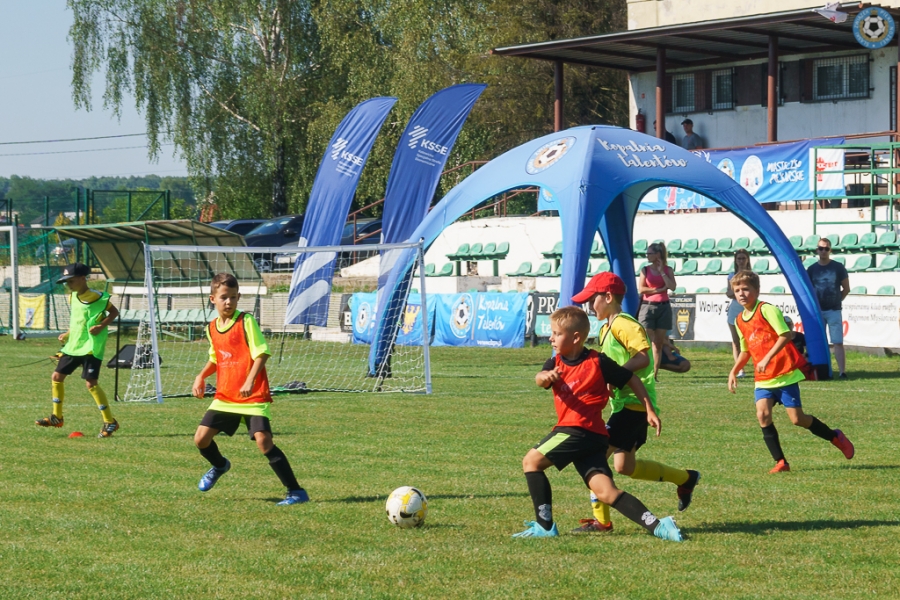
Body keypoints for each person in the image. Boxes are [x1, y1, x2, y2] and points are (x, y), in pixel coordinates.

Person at [513, 306, 683, 541]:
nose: (551, 338)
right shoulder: (554, 361)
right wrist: (544, 378)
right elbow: (540, 378)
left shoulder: (597, 362)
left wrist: (649, 410)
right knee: (606, 492)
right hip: (594, 436)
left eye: (556, 333)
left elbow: (631, 378)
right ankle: (659, 526)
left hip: (577, 430)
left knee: (531, 462)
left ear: (575, 337)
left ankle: (544, 526)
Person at [569, 273, 700, 534]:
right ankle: (685, 478)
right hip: (627, 406)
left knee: (595, 460)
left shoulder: (623, 324)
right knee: (625, 466)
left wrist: (616, 377)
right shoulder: (607, 327)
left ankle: (602, 522)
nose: (589, 305)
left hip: (632, 405)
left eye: (592, 299)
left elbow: (643, 358)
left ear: (608, 297)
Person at [191, 273, 308, 505]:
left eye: (233, 297)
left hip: (253, 394)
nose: (229, 302)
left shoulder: (245, 321)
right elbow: (216, 358)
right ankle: (219, 465)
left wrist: (249, 381)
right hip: (226, 395)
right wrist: (201, 376)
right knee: (201, 440)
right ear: (212, 298)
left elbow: (261, 352)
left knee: (263, 441)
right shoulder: (211, 328)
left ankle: (296, 492)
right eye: (224, 297)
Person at [728, 270, 855, 473]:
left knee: (798, 419)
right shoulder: (739, 320)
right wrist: (734, 370)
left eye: (746, 289)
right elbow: (745, 350)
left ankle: (835, 437)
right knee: (762, 415)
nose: (741, 293)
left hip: (784, 373)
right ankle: (781, 462)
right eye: (737, 290)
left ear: (757, 290)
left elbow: (785, 334)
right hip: (763, 379)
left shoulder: (766, 310)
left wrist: (768, 357)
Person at [36, 263, 120, 438]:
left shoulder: (96, 297)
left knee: (91, 383)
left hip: (90, 346)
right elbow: (78, 320)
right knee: (56, 377)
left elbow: (114, 312)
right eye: (66, 282)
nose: (69, 285)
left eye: (71, 281)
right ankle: (57, 417)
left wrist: (101, 325)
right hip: (74, 345)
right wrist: (68, 333)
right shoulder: (73, 296)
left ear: (83, 279)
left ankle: (110, 422)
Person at [806, 238, 850, 378]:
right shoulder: (812, 269)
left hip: (834, 310)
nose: (823, 251)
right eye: (821, 248)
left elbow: (846, 288)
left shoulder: (838, 267)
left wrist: (837, 301)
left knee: (837, 342)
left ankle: (842, 371)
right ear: (817, 250)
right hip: (818, 311)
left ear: (830, 250)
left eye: (826, 248)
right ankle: (824, 371)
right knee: (820, 343)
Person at [638, 242, 677, 380]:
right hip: (648, 307)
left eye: (649, 253)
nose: (647, 256)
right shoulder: (645, 270)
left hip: (664, 307)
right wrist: (658, 290)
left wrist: (661, 272)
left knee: (658, 343)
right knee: (646, 341)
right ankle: (644, 371)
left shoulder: (668, 270)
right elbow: (641, 289)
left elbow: (672, 286)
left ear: (658, 254)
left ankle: (654, 375)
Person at [726, 249, 753, 378]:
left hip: (748, 309)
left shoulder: (751, 275)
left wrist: (736, 292)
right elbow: (728, 293)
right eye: (739, 259)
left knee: (751, 340)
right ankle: (739, 369)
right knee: (736, 341)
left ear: (747, 259)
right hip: (735, 309)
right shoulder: (732, 276)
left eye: (743, 258)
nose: (741, 261)